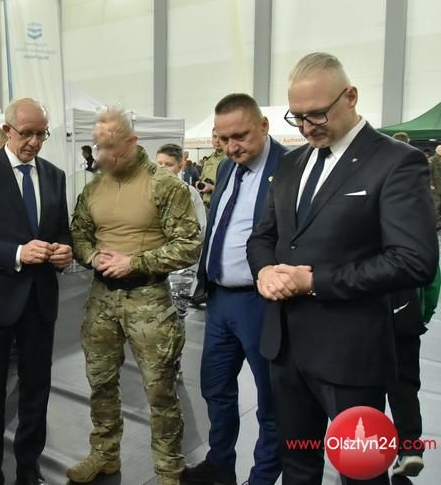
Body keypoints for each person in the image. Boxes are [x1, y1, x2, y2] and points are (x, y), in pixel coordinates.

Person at [247, 52, 438, 485]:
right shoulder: (291, 163)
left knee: (360, 470)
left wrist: (314, 282)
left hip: (350, 354)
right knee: (297, 464)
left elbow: (414, 260)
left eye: (317, 114)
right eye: (297, 117)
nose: (306, 127)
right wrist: (265, 272)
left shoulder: (396, 161)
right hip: (285, 347)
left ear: (350, 97)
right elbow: (263, 236)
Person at [69, 108, 202, 485]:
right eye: (97, 146)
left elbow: (189, 245)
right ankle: (104, 454)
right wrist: (93, 256)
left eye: (110, 147)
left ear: (131, 142)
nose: (102, 155)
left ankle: (169, 469)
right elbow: (78, 233)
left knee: (160, 389)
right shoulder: (94, 187)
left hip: (149, 300)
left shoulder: (165, 185)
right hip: (102, 298)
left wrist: (135, 262)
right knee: (100, 381)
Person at [0, 97, 72, 485]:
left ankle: (28, 467)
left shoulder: (54, 176)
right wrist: (17, 253)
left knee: (37, 390)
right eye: (27, 133)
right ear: (7, 130)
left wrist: (65, 251)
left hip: (40, 301)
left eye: (42, 134)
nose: (34, 142)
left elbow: (62, 230)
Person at [182, 94, 287, 485]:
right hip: (220, 300)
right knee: (215, 388)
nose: (231, 147)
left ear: (264, 126)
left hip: (263, 304)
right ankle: (220, 465)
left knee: (271, 400)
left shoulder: (290, 168)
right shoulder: (227, 167)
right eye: (223, 138)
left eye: (240, 136)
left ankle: (262, 478)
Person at [387, 265, 440, 477]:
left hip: (365, 316)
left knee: (364, 389)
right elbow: (432, 274)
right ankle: (410, 448)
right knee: (405, 387)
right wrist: (425, 312)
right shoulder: (415, 240)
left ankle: (362, 451)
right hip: (406, 312)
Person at [155, 143, 207, 233]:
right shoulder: (147, 190)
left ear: (180, 167)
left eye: (168, 164)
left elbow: (201, 228)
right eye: (159, 163)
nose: (162, 168)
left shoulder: (190, 192)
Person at [198, 128, 225, 206]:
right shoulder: (209, 159)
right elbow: (202, 178)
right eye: (214, 137)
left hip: (221, 205)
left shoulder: (232, 160)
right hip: (205, 205)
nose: (217, 140)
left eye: (220, 137)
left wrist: (212, 188)